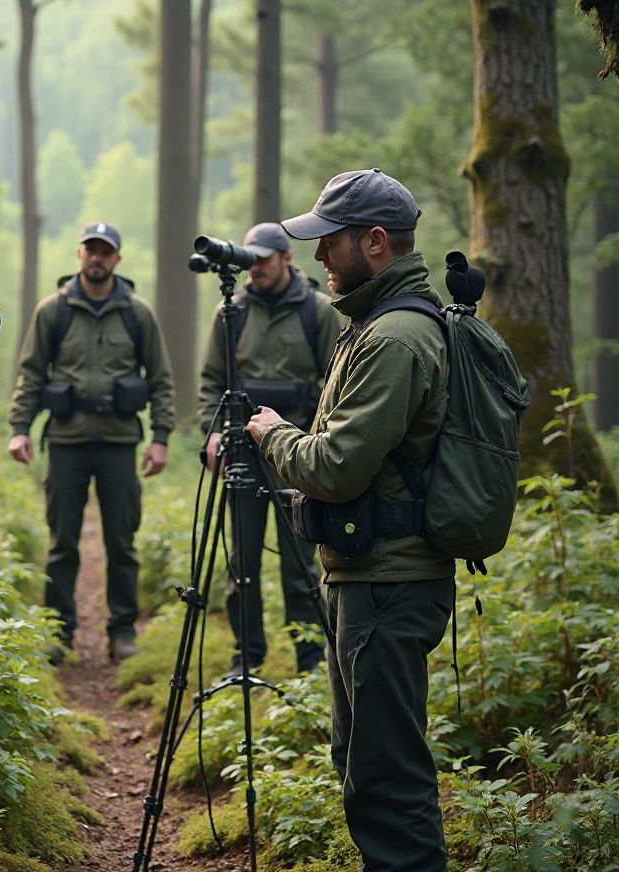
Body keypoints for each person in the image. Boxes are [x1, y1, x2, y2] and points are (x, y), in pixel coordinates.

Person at [248, 169, 454, 872]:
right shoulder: (375, 325)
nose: (316, 259)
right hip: (366, 577)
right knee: (364, 766)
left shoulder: (395, 338)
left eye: (328, 243)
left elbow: (336, 466)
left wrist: (273, 434)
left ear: (374, 243)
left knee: (388, 783)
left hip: (389, 582)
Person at [8, 222, 175, 663]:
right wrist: (20, 428)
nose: (97, 258)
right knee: (62, 541)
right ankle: (59, 633)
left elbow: (160, 381)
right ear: (79, 254)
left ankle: (122, 631)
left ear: (117, 258)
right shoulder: (53, 311)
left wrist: (160, 439)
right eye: (90, 250)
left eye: (106, 251)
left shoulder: (137, 314)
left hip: (120, 442)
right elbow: (30, 375)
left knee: (122, 542)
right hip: (66, 441)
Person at [198, 222, 341, 676]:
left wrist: (317, 440)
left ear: (287, 259)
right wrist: (214, 432)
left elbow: (336, 382)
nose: (255, 267)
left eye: (264, 259)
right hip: (243, 452)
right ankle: (247, 658)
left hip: (299, 452)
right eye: (251, 258)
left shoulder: (319, 312)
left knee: (301, 558)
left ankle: (310, 661)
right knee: (241, 562)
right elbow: (210, 383)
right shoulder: (231, 312)